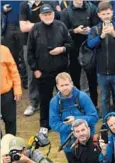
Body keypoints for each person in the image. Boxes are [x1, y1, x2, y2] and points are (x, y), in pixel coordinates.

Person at [49, 72, 99, 163]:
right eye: (62, 85)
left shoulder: (82, 97)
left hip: (87, 140)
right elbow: (53, 123)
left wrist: (76, 121)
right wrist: (72, 129)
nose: (65, 87)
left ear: (72, 83)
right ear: (57, 87)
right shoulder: (54, 102)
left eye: (67, 84)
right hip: (68, 143)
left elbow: (94, 117)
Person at [27, 3, 72, 135]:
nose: (48, 16)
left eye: (50, 13)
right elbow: (29, 52)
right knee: (45, 99)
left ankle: (66, 121)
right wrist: (35, 69)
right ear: (40, 16)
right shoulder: (35, 29)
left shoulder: (61, 26)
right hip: (43, 71)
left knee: (65, 97)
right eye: (45, 14)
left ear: (54, 13)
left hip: (61, 71)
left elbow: (70, 44)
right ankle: (44, 124)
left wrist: (62, 49)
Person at [87, 1, 115, 118]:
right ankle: (107, 123)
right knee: (104, 99)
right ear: (99, 15)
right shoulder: (95, 29)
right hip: (101, 72)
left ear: (112, 13)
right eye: (104, 14)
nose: (106, 16)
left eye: (108, 13)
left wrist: (114, 34)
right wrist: (101, 36)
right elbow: (90, 44)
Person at [60, 0, 99, 107]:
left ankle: (93, 105)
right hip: (73, 49)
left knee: (92, 80)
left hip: (89, 48)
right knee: (75, 79)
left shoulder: (92, 9)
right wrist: (75, 31)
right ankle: (77, 104)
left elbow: (97, 26)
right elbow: (63, 31)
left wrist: (91, 30)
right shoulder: (65, 12)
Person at [19, 0, 54, 117]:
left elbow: (55, 21)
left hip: (48, 42)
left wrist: (32, 24)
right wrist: (42, 23)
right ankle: (34, 103)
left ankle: (53, 103)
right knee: (32, 74)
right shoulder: (25, 5)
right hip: (29, 44)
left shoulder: (49, 2)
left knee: (51, 72)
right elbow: (23, 27)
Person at [0, 44, 22, 136]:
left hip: (7, 93)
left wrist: (17, 89)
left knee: (10, 121)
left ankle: (12, 146)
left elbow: (13, 70)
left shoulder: (4, 50)